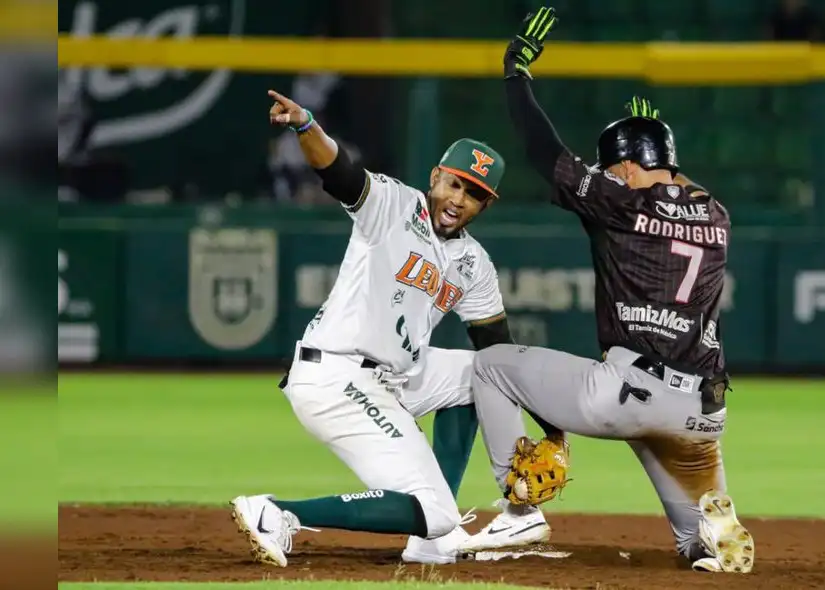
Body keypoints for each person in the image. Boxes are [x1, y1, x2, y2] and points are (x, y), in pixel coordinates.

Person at [458, 7, 756, 574]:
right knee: (693, 547)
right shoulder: (716, 213)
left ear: (624, 168)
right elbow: (670, 181)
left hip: (628, 392)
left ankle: (517, 509)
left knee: (491, 365)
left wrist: (516, 73)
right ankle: (709, 533)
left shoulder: (621, 201)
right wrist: (654, 143)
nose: (607, 175)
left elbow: (545, 154)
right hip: (702, 411)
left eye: (612, 167)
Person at [229, 90, 551, 568]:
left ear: (486, 205)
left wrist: (552, 433)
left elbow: (498, 356)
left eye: (475, 195)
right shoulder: (393, 205)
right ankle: (277, 513)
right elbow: (338, 173)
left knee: (478, 375)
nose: (459, 200)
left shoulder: (474, 264)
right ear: (435, 177)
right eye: (456, 185)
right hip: (337, 377)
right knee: (439, 513)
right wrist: (305, 126)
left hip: (396, 377)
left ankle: (440, 535)